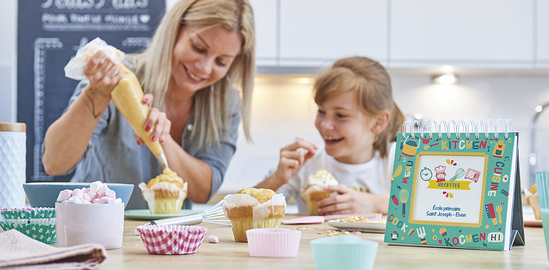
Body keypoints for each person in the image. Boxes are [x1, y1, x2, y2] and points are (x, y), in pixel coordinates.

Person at [42, 0, 256, 210]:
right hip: (95, 228)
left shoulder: (226, 101)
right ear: (174, 31)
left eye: (221, 62)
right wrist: (97, 92)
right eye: (198, 47)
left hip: (171, 237)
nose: (204, 67)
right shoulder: (115, 77)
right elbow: (54, 163)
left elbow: (202, 191)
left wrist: (163, 140)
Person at [255, 56, 405, 215]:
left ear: (378, 122)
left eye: (341, 115)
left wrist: (375, 203)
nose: (325, 125)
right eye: (321, 111)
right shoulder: (307, 164)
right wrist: (276, 179)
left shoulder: (398, 160)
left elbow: (428, 209)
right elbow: (235, 213)